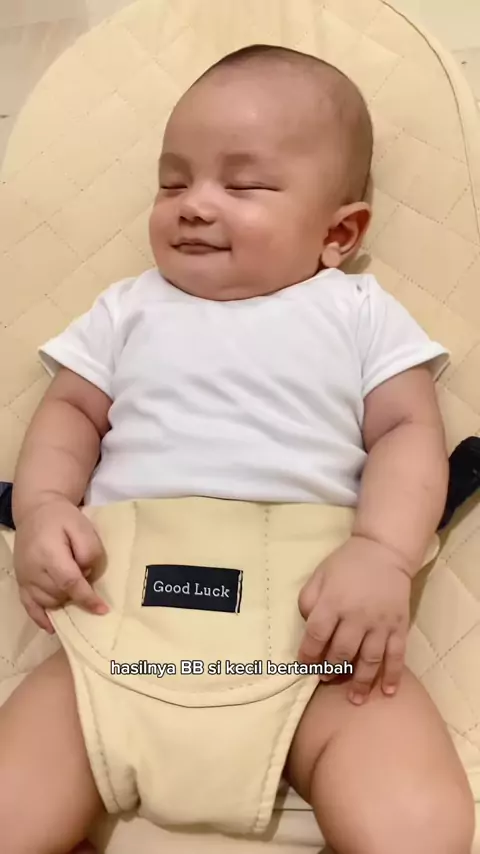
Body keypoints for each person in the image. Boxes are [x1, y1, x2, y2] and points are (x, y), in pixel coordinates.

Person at [1, 44, 474, 854]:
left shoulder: (358, 312)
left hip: (313, 647)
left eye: (243, 185)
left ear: (339, 232)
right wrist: (44, 504)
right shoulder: (126, 310)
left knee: (420, 824)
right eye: (172, 183)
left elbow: (407, 432)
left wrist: (383, 554)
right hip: (115, 633)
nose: (194, 205)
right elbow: (70, 413)